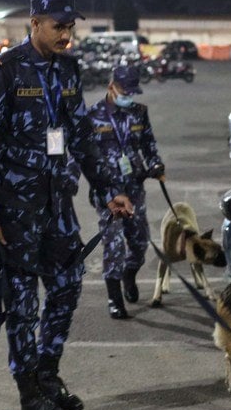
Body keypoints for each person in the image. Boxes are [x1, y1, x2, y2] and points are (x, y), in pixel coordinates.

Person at [0, 0, 133, 410]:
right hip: (16, 209)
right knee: (21, 303)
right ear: (35, 23)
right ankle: (28, 394)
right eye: (59, 26)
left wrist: (108, 188)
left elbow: (82, 137)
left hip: (58, 201)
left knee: (66, 287)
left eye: (70, 26)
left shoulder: (69, 70)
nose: (66, 34)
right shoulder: (2, 70)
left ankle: (47, 372)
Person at [68, 65, 165, 320]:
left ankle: (129, 274)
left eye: (133, 91)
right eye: (125, 90)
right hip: (107, 190)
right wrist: (69, 180)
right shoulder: (93, 116)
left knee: (140, 242)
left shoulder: (139, 113)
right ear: (112, 85)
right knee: (113, 244)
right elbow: (82, 153)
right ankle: (114, 299)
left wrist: (155, 164)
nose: (129, 95)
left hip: (135, 187)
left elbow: (148, 144)